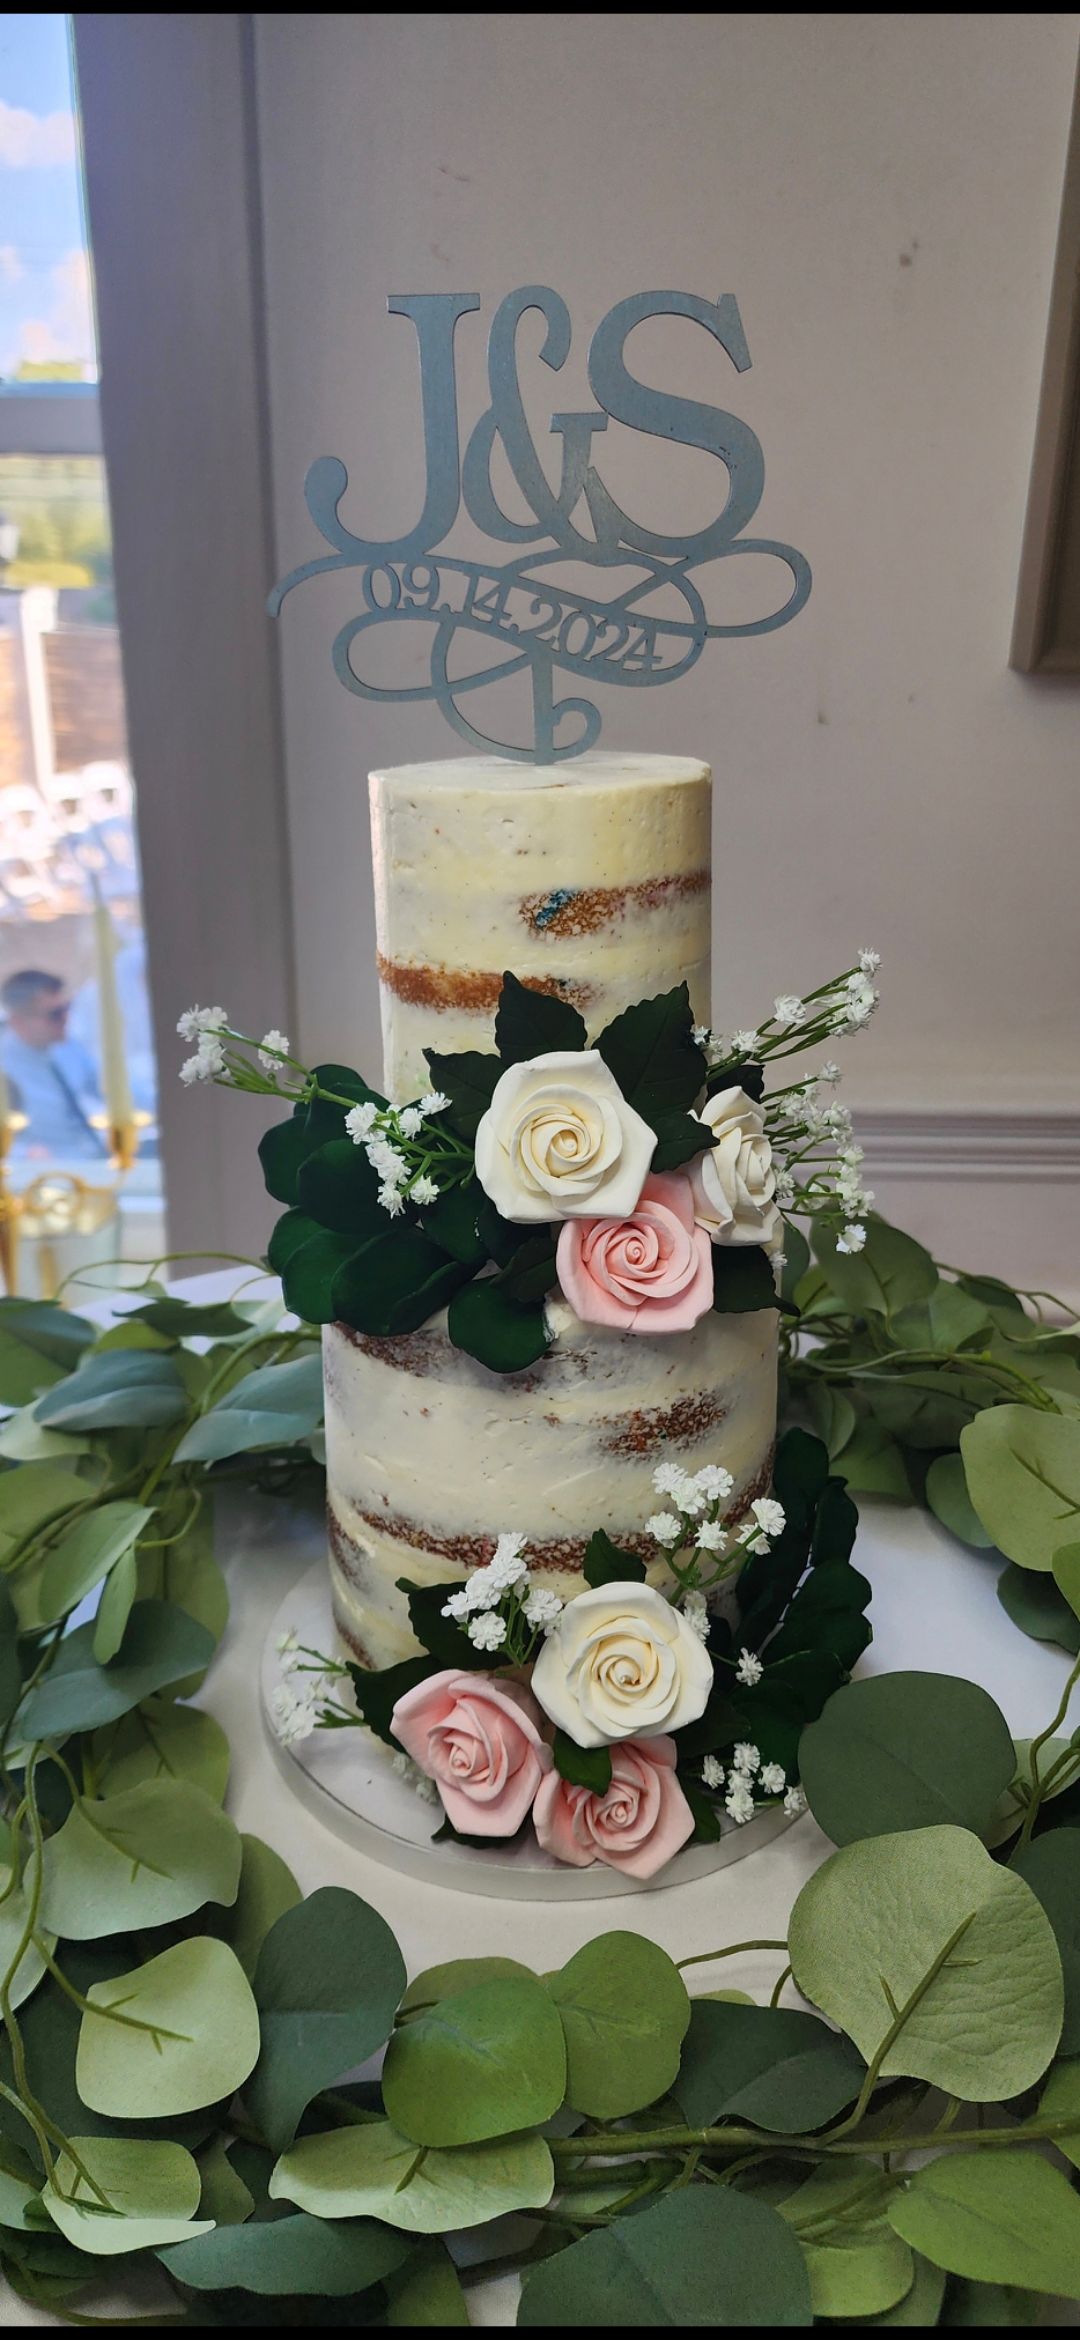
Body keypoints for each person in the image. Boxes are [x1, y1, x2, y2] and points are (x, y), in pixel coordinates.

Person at [0, 969, 108, 1160]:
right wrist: (23, 1153)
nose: (66, 1019)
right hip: (42, 1170)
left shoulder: (69, 1047)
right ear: (18, 1021)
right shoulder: (5, 1067)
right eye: (55, 1014)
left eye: (67, 1008)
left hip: (94, 1157)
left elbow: (110, 1088)